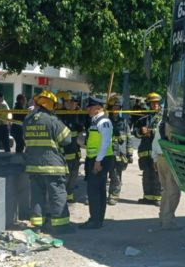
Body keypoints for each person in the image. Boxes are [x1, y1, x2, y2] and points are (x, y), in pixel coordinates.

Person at [23, 90, 75, 234]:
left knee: (37, 195)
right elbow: (67, 140)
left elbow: (25, 140)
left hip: (33, 165)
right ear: (52, 104)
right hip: (52, 165)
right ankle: (60, 225)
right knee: (57, 194)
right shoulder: (52, 120)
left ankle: (37, 225)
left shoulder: (28, 120)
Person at [81, 97, 114, 230]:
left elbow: (105, 142)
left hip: (100, 159)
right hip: (95, 158)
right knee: (99, 189)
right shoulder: (95, 121)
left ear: (98, 108)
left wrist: (98, 161)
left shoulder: (104, 121)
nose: (88, 109)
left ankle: (95, 220)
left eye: (90, 107)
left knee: (93, 190)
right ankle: (98, 219)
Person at [132, 92, 163, 206]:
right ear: (149, 104)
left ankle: (158, 198)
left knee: (158, 175)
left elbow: (164, 131)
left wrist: (152, 131)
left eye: (157, 103)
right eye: (152, 103)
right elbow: (135, 132)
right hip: (145, 150)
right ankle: (147, 197)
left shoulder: (163, 116)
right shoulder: (143, 117)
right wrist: (141, 131)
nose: (155, 105)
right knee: (146, 175)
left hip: (157, 151)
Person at [57, 91, 86, 204]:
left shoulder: (75, 114)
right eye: (69, 101)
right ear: (63, 102)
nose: (72, 104)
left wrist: (78, 114)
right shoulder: (58, 116)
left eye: (72, 102)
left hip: (75, 151)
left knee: (73, 175)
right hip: (64, 152)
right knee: (65, 176)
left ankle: (69, 195)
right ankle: (62, 195)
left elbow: (80, 128)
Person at [153, 120, 182, 230]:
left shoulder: (161, 121)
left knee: (165, 190)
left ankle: (163, 217)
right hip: (170, 158)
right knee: (173, 192)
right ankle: (168, 221)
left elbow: (155, 141)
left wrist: (155, 159)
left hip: (161, 158)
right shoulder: (175, 123)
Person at [107, 95, 133, 206]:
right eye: (114, 107)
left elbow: (129, 138)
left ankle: (114, 196)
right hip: (106, 154)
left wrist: (130, 153)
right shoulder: (105, 121)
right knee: (102, 177)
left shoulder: (124, 122)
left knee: (116, 177)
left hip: (119, 155)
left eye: (118, 107)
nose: (116, 109)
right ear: (110, 108)